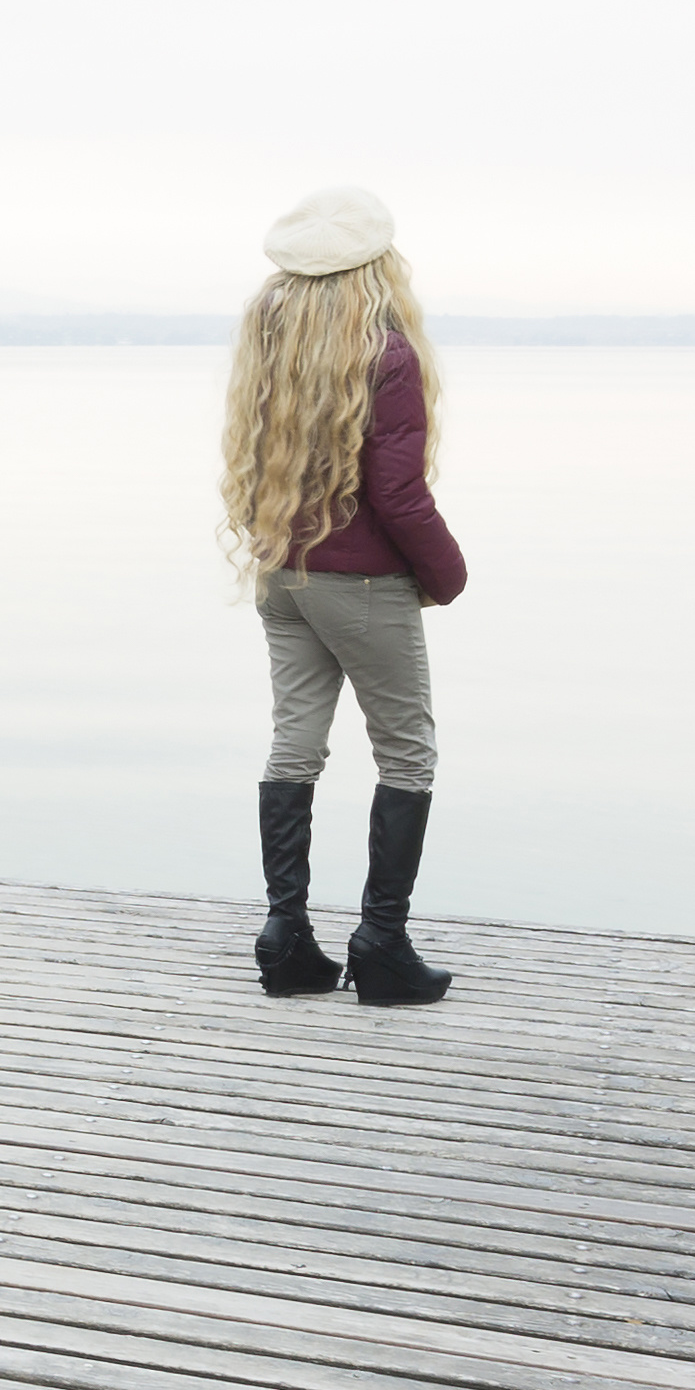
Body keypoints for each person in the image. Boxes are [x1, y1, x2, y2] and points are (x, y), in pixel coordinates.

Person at [219, 184, 463, 1004]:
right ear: (377, 268)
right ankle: (382, 945)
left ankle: (285, 935)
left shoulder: (269, 339)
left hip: (281, 575)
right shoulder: (386, 355)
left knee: (294, 744)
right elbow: (395, 493)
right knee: (407, 752)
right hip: (359, 583)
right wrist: (445, 574)